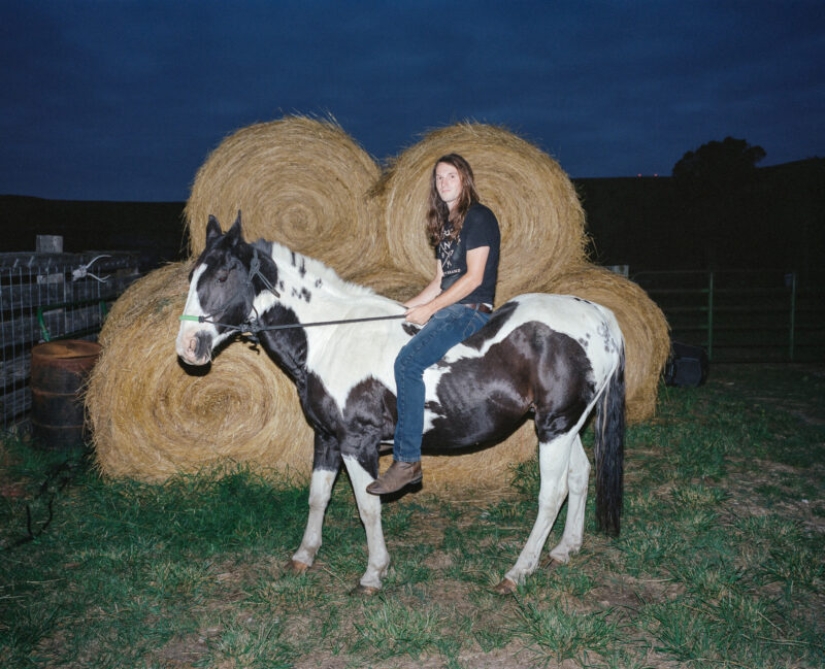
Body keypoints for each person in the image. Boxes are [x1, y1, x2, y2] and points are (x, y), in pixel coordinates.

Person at [367, 153, 501, 495]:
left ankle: (407, 461)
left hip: (470, 310)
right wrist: (400, 308)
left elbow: (472, 279)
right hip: (449, 308)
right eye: (439, 178)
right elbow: (440, 281)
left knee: (408, 363)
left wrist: (431, 309)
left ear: (465, 179)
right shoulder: (446, 226)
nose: (443, 183)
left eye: (450, 176)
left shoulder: (479, 217)